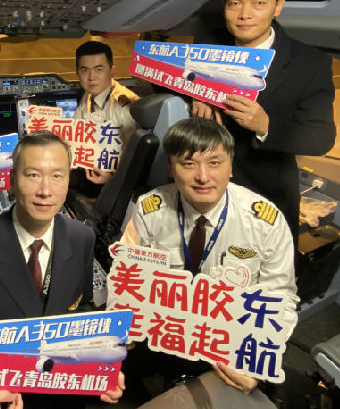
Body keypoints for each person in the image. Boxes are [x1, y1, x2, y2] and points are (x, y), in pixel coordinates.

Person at [0, 130, 123, 409]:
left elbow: (82, 311)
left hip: (65, 407)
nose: (45, 190)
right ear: (12, 181)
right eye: (32, 175)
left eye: (57, 176)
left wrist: (100, 364)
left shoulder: (82, 238)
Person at [121, 117, 298, 394]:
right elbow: (129, 282)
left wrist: (253, 363)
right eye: (188, 164)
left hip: (231, 338)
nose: (203, 177)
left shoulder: (266, 222)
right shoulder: (149, 210)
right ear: (171, 168)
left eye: (215, 163)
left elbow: (281, 298)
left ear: (231, 167)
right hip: (166, 330)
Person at [190, 0, 336, 242]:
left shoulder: (310, 63)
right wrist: (196, 89)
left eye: (258, 3)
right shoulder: (207, 43)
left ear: (278, 6)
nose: (244, 14)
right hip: (202, 187)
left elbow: (321, 137)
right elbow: (165, 77)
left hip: (263, 197)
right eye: (235, 4)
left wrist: (265, 125)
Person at [70, 40, 140, 192]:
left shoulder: (123, 104)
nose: (91, 77)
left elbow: (136, 155)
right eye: (84, 70)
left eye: (99, 69)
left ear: (112, 71)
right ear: (77, 72)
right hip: (93, 168)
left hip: (118, 180)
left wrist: (113, 178)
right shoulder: (88, 95)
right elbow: (75, 134)